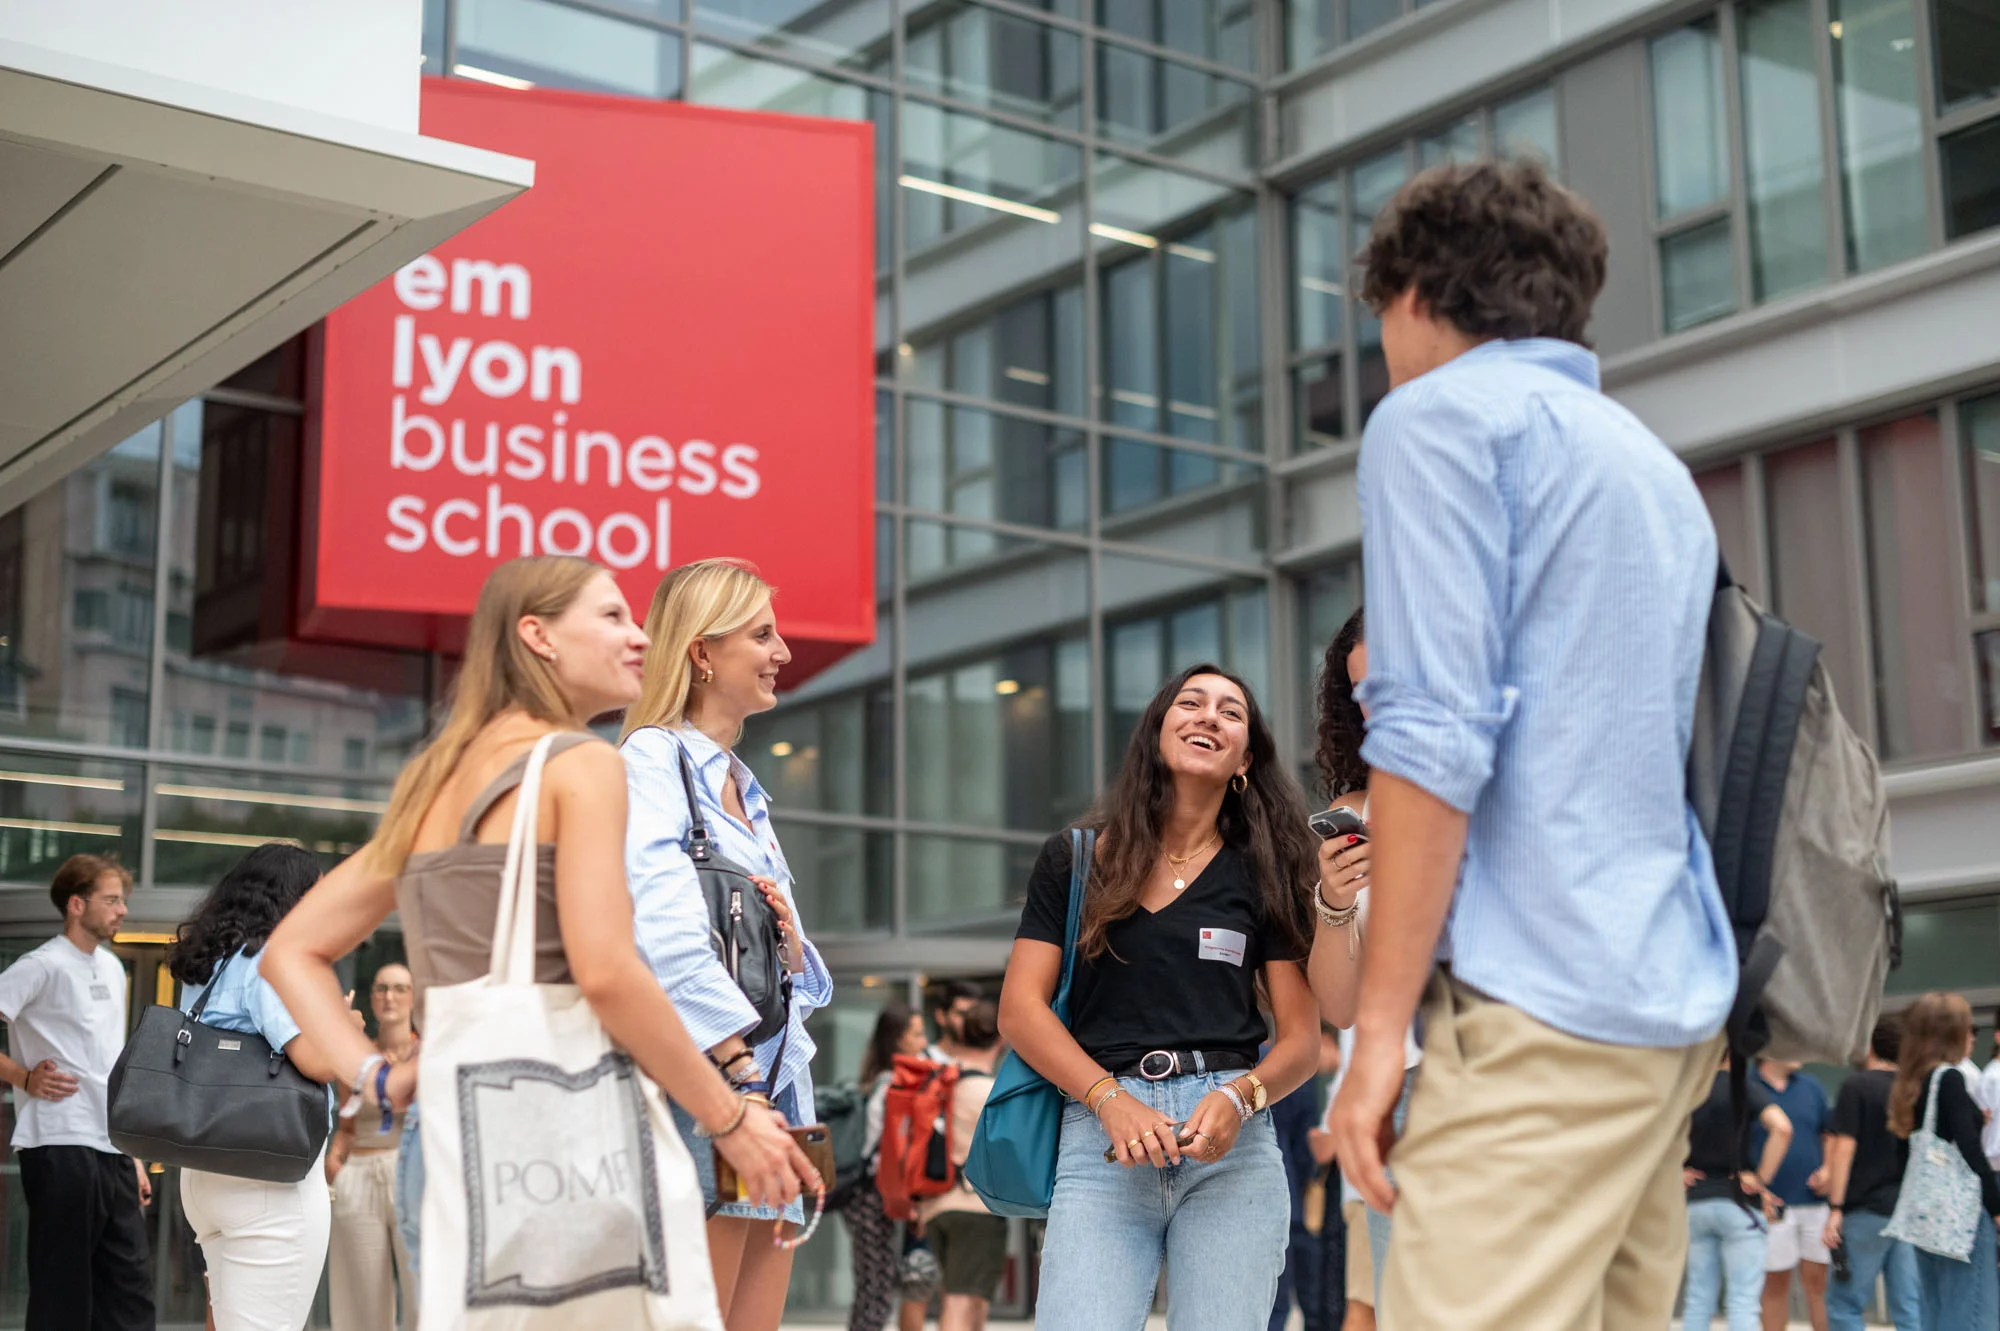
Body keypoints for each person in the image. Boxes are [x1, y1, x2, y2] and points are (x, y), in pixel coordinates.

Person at [1321, 157, 1736, 1330]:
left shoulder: (1436, 420)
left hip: (1534, 1004)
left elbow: (1430, 737)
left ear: (1409, 294)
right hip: (1664, 996)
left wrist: (1382, 1032)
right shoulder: (1646, 465)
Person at [262, 556, 819, 1313]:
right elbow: (608, 971)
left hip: (452, 1128)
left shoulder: (439, 777)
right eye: (613, 617)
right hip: (562, 1136)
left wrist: (376, 1080)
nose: (639, 638)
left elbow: (291, 950)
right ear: (539, 636)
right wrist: (731, 1114)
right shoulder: (582, 763)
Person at [998, 663, 1321, 1329]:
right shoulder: (1079, 857)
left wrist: (1241, 1098)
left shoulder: (1265, 870)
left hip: (1231, 1147)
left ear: (1245, 757)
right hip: (1102, 1141)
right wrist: (1109, 1100)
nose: (1208, 715)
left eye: (1230, 712)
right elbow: (1020, 1009)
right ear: (1157, 731)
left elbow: (1302, 1041)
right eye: (1191, 702)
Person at [621, 556, 834, 1331]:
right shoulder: (652, 759)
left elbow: (800, 978)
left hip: (771, 1088)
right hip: (711, 1086)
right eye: (763, 634)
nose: (782, 652)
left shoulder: (746, 787)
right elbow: (665, 938)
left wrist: (788, 936)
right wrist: (737, 1078)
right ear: (703, 653)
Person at [1304, 606, 1423, 1321]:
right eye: (1359, 690)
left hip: (1505, 1069)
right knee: (1405, 1307)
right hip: (1397, 1089)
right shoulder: (1356, 809)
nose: (1373, 702)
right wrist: (1334, 900)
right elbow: (1340, 1007)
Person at [170, 843, 340, 1331]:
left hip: (204, 1175)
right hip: (269, 1175)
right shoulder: (273, 962)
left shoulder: (211, 961)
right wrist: (342, 1021)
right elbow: (318, 1062)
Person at [0, 854, 154, 1331]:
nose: (122, 909)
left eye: (122, 900)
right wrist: (22, 1077)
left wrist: (133, 1155)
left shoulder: (111, 968)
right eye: (111, 899)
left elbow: (108, 1068)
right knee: (63, 1294)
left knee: (130, 1295)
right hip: (58, 1145)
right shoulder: (40, 966)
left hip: (111, 1148)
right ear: (75, 904)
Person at [1886, 991, 2000, 1328]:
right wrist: (1996, 1208)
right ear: (1950, 1034)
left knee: (1935, 1310)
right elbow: (1970, 1151)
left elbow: (1904, 1152)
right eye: (1966, 1029)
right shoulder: (1948, 1079)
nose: (1970, 1038)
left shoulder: (1910, 1081)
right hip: (1961, 1217)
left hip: (1927, 1215)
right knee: (1973, 1309)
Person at [326, 962, 419, 1331]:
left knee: (423, 1297)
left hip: (412, 1172)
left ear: (414, 996)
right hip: (359, 1175)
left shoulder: (428, 1050)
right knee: (360, 1304)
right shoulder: (358, 1055)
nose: (388, 996)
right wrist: (334, 1165)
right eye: (381, 988)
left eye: (398, 988)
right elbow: (347, 1127)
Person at [1822, 1016, 1920, 1331]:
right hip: (1906, 1210)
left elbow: (1844, 1148)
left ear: (1871, 1045)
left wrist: (1835, 1208)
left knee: (1844, 1305)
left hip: (1864, 1209)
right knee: (1908, 1306)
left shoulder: (1857, 1086)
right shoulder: (1913, 1090)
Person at [914, 1000, 1007, 1331]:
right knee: (961, 1299)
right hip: (974, 1207)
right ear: (1000, 1040)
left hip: (936, 1205)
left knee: (966, 1295)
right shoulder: (988, 1089)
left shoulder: (942, 1082)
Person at [1683, 1055, 1793, 1331]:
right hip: (1738, 1200)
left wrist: (1676, 1169)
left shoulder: (1689, 1086)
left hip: (1693, 1200)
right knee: (1743, 1299)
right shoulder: (1743, 1087)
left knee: (1698, 1298)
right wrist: (1761, 1179)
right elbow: (1782, 1128)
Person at [843, 1000, 927, 1331]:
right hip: (871, 1194)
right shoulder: (893, 1085)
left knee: (874, 1286)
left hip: (871, 1194)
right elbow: (891, 1151)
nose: (923, 1043)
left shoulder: (883, 1080)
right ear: (898, 1040)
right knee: (876, 1289)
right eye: (917, 1035)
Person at [1752, 1058, 1832, 1331]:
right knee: (1774, 1285)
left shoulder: (1812, 1086)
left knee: (1819, 1283)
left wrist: (1829, 1169)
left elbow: (1829, 1134)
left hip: (1815, 1204)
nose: (1801, 1051)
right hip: (1770, 1206)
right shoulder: (1748, 1085)